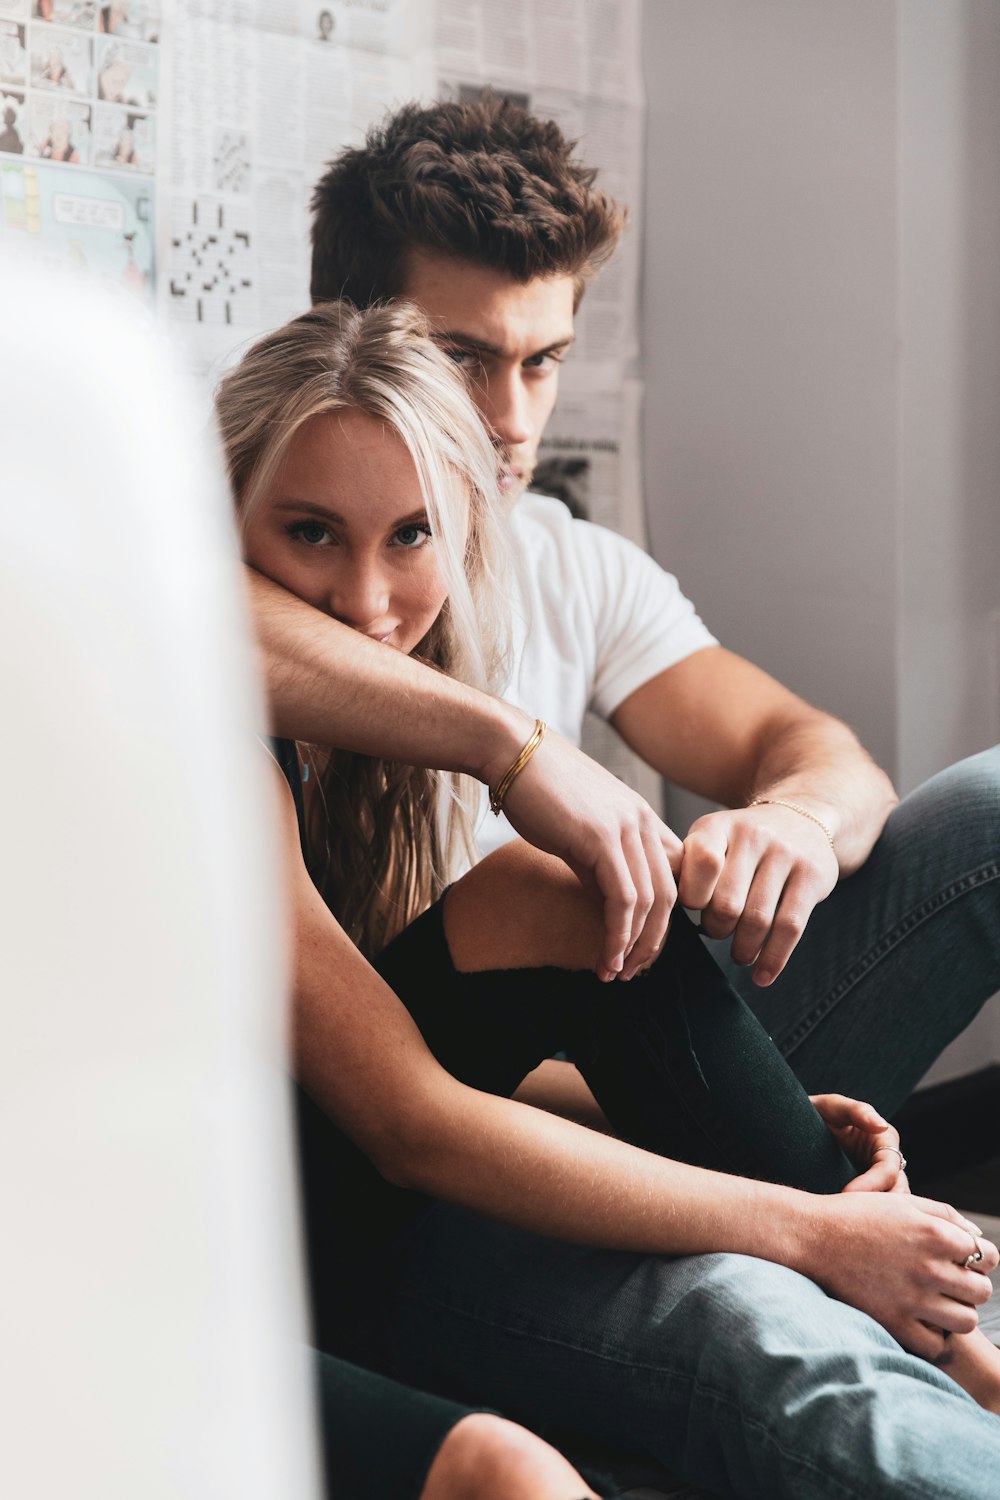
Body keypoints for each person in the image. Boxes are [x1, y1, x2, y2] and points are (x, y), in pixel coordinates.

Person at [219, 300, 1000, 1499]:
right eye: (312, 534)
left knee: (560, 894)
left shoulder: (393, 726)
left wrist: (720, 1101)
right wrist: (804, 1231)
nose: (369, 602)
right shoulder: (216, 718)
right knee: (747, 1313)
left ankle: (918, 1315)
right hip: (279, 1228)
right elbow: (402, 1116)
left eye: (410, 537)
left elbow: (810, 750)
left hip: (370, 1134)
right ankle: (904, 1321)